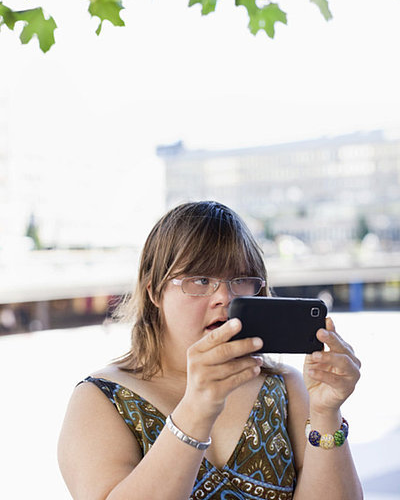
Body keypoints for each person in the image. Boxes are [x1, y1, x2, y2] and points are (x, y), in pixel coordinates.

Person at [58, 201, 363, 500]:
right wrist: (197, 408)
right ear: (153, 291)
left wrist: (326, 414)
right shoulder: (101, 399)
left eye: (241, 279)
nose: (224, 297)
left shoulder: (286, 388)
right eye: (201, 279)